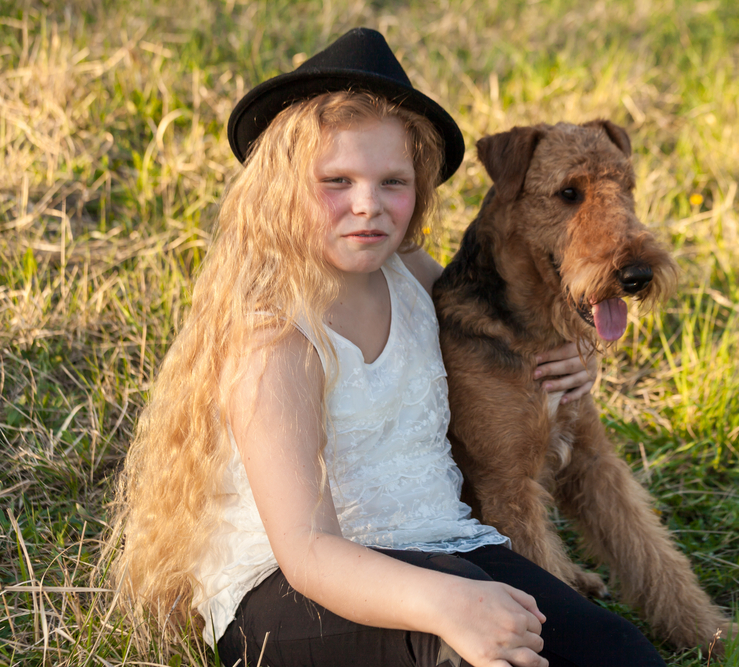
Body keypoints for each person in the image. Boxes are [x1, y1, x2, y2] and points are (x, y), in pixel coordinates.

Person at [109, 28, 668, 667]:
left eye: (393, 182)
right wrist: (447, 604)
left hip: (446, 545)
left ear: (421, 186)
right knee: (477, 650)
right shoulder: (278, 336)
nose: (368, 206)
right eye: (337, 180)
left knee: (620, 654)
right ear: (281, 189)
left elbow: (500, 327)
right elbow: (306, 550)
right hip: (297, 592)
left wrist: (570, 362)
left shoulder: (411, 278)